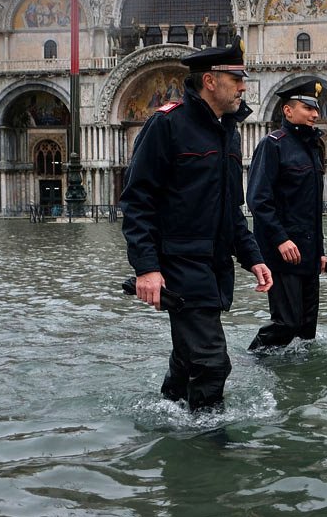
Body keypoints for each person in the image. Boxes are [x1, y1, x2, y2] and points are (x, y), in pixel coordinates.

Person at [120, 37, 273, 413]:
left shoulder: (228, 132)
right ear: (210, 80)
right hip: (180, 265)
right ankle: (211, 450)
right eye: (236, 78)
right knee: (211, 363)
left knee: (188, 359)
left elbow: (231, 208)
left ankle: (166, 413)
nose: (243, 86)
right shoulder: (166, 125)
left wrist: (253, 257)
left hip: (214, 266)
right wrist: (147, 268)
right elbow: (137, 201)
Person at [247, 80, 327, 350]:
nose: (315, 115)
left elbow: (312, 209)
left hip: (308, 252)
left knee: (307, 329)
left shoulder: (313, 148)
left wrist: (320, 251)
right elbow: (258, 200)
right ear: (288, 111)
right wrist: (280, 238)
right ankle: (254, 359)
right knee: (286, 323)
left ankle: (299, 379)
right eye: (307, 108)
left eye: (316, 110)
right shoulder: (273, 145)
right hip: (282, 253)